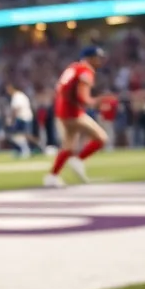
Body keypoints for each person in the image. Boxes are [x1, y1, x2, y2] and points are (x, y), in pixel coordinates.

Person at [45, 46, 108, 188]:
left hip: (62, 111)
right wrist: (95, 103)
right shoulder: (85, 71)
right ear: (90, 58)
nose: (100, 61)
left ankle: (52, 176)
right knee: (101, 138)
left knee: (68, 146)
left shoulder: (73, 67)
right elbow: (82, 96)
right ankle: (78, 160)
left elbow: (60, 88)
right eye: (97, 58)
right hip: (73, 112)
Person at [5, 82, 33, 159]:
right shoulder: (21, 95)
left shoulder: (17, 96)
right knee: (21, 135)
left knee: (18, 135)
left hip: (22, 117)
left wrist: (12, 119)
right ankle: (24, 150)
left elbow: (16, 109)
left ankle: (26, 150)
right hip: (26, 117)